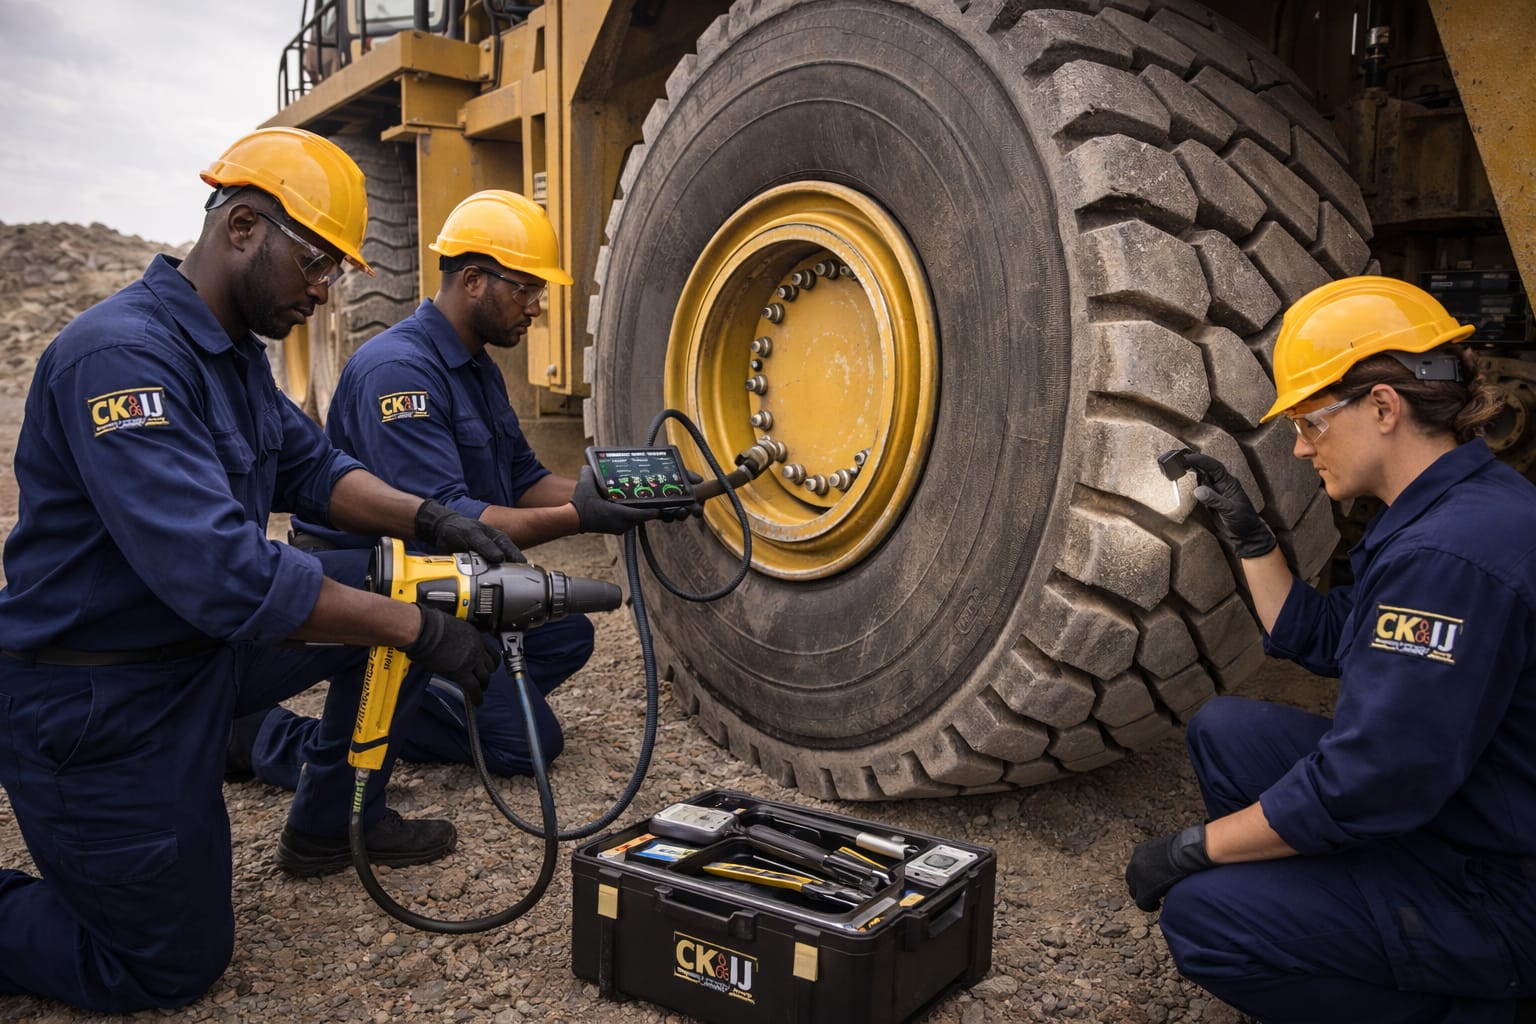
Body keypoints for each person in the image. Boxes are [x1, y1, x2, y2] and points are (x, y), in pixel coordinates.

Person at [0, 127, 526, 1012]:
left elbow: (312, 471)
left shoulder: (233, 358)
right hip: (98, 698)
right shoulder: (121, 358)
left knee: (390, 576)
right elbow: (226, 575)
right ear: (244, 226)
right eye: (318, 267)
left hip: (195, 657)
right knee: (165, 965)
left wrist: (436, 522)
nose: (324, 294)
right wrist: (416, 628)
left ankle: (328, 825)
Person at [1124, 276, 1536, 1023]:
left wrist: (1196, 848)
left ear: (1383, 408)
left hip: (1501, 889)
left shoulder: (1450, 556)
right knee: (1226, 730)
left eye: (1311, 421)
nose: (1298, 443)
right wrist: (1250, 536)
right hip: (1464, 808)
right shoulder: (1453, 510)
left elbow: (1372, 781)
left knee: (1205, 918)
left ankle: (1465, 1005)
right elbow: (1326, 638)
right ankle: (1344, 912)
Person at [230, 189, 682, 788]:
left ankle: (431, 697)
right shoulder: (400, 373)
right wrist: (582, 515)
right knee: (530, 746)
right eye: (525, 288)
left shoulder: (476, 365)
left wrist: (609, 493)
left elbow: (524, 479)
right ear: (473, 280)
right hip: (389, 588)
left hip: (451, 578)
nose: (536, 307)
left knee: (567, 633)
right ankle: (269, 737)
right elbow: (453, 521)